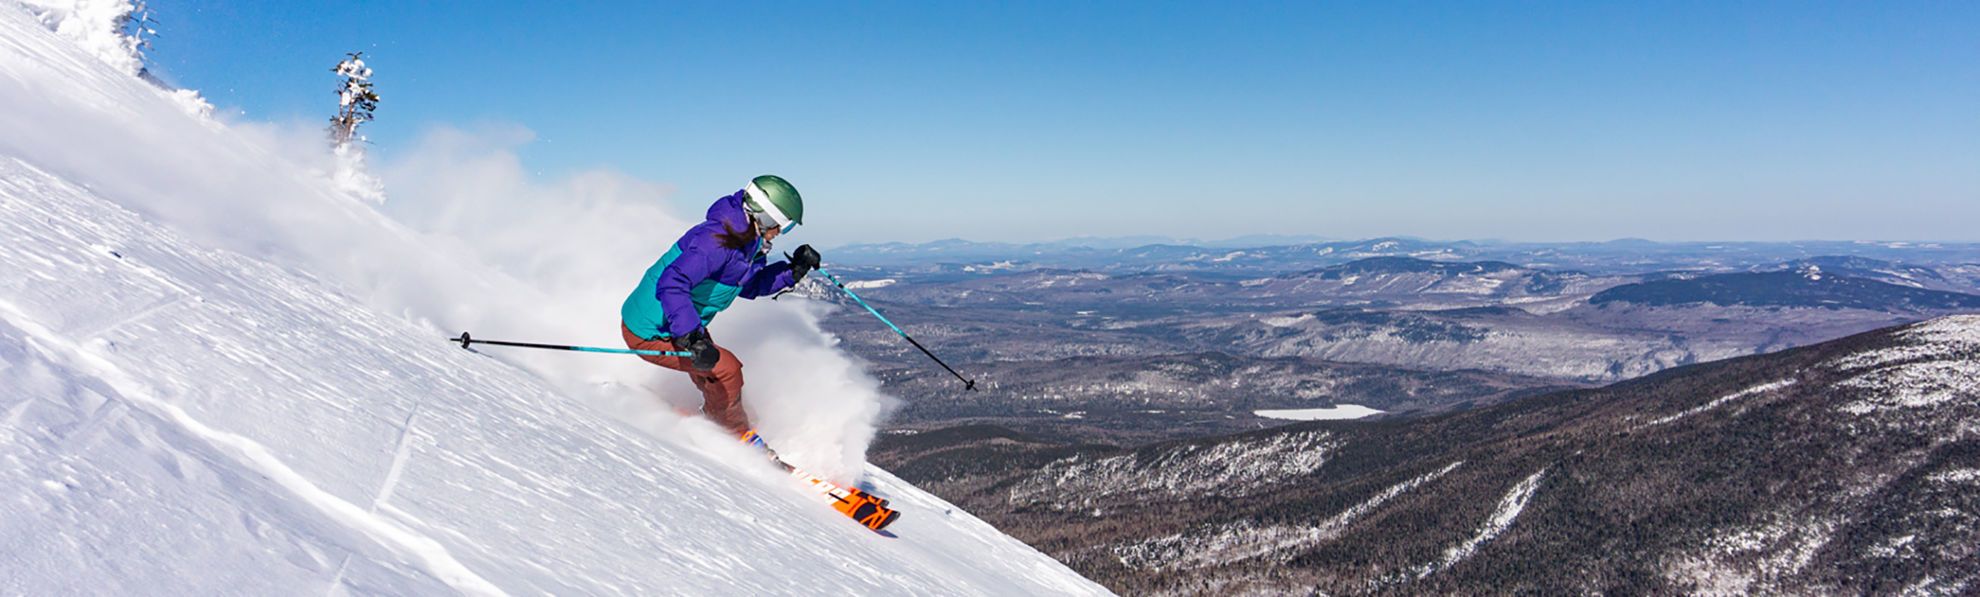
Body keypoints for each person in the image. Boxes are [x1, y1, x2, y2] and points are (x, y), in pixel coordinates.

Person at [620, 175, 821, 438]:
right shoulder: (715, 241)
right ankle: (731, 433)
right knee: (727, 369)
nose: (780, 232)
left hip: (679, 323)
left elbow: (749, 285)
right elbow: (672, 282)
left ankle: (723, 420)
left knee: (717, 374)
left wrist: (792, 271)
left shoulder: (747, 244)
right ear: (764, 215)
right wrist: (691, 337)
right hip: (649, 330)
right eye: (781, 224)